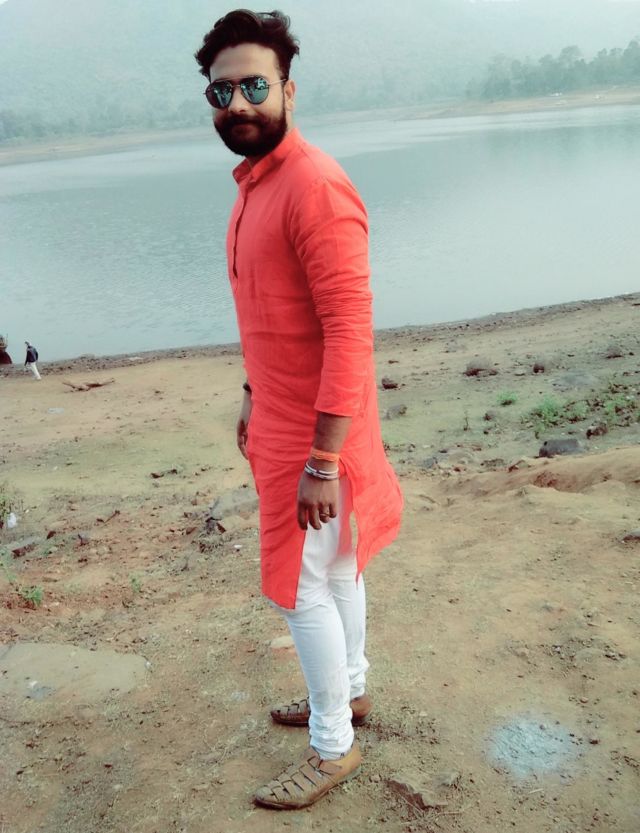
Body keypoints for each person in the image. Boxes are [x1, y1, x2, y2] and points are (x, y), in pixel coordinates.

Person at [195, 9, 403, 809]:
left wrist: (322, 459)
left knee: (297, 587)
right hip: (283, 420)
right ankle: (350, 688)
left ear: (288, 89)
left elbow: (351, 333)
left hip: (319, 434)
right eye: (223, 92)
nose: (239, 104)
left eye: (255, 86)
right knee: (337, 567)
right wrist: (253, 395)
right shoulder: (257, 184)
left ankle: (332, 745)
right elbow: (273, 316)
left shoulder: (313, 186)